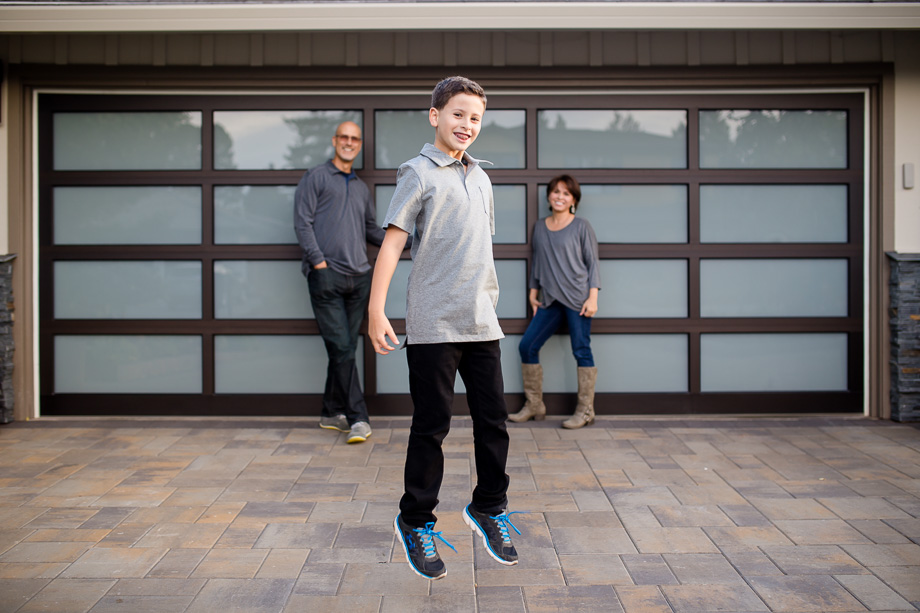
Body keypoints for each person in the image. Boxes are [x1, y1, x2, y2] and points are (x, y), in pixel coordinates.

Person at [368, 76, 521, 580]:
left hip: (482, 323)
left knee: (493, 422)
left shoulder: (482, 178)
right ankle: (415, 521)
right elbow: (392, 244)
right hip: (434, 325)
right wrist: (376, 309)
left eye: (475, 118)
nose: (466, 125)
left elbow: (477, 251)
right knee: (432, 427)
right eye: (458, 114)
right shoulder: (417, 173)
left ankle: (489, 507)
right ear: (435, 116)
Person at [294, 120, 383, 444]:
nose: (349, 142)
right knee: (343, 347)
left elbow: (372, 229)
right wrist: (319, 263)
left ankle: (332, 411)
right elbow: (302, 222)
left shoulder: (360, 187)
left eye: (354, 138)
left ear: (359, 145)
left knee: (343, 348)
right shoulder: (316, 177)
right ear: (335, 141)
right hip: (327, 278)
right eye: (343, 137)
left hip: (359, 278)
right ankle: (358, 417)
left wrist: (409, 239)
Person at [508, 174, 601, 429]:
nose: (560, 196)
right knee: (527, 346)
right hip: (549, 300)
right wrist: (532, 291)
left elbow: (592, 263)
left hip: (578, 299)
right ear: (549, 196)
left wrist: (593, 296)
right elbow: (538, 260)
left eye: (566, 193)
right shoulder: (539, 226)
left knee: (581, 350)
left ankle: (585, 411)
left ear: (573, 200)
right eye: (556, 192)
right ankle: (535, 404)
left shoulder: (582, 226)